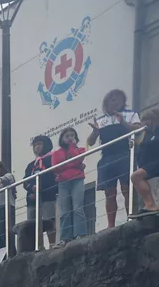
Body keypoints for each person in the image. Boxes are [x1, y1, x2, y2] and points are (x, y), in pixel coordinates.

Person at [88, 89, 142, 228]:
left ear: (123, 101)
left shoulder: (131, 114)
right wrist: (95, 131)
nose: (114, 101)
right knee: (109, 192)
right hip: (106, 157)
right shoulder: (100, 120)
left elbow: (139, 128)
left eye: (117, 99)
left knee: (127, 189)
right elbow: (90, 141)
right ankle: (110, 225)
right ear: (107, 103)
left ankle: (132, 217)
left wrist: (123, 121)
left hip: (125, 154)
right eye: (111, 99)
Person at [52, 127, 88, 242]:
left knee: (78, 208)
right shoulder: (56, 153)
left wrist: (73, 148)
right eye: (67, 136)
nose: (70, 138)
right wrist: (75, 165)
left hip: (77, 179)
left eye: (72, 135)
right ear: (62, 139)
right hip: (63, 182)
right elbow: (56, 167)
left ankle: (80, 234)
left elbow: (78, 159)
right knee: (64, 211)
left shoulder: (81, 149)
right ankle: (65, 238)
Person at [22, 136, 58, 249]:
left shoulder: (53, 158)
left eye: (39, 144)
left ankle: (52, 244)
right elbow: (25, 181)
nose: (36, 147)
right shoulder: (31, 165)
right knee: (32, 224)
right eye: (34, 145)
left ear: (46, 144)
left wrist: (40, 188)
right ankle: (36, 247)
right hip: (32, 198)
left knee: (49, 220)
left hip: (48, 195)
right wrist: (31, 188)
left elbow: (52, 177)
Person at [130, 109, 159, 213]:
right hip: (150, 165)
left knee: (136, 176)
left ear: (154, 120)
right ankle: (150, 204)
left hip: (156, 162)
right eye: (142, 120)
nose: (144, 123)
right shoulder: (144, 135)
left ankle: (150, 204)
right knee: (136, 177)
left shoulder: (156, 132)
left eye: (147, 119)